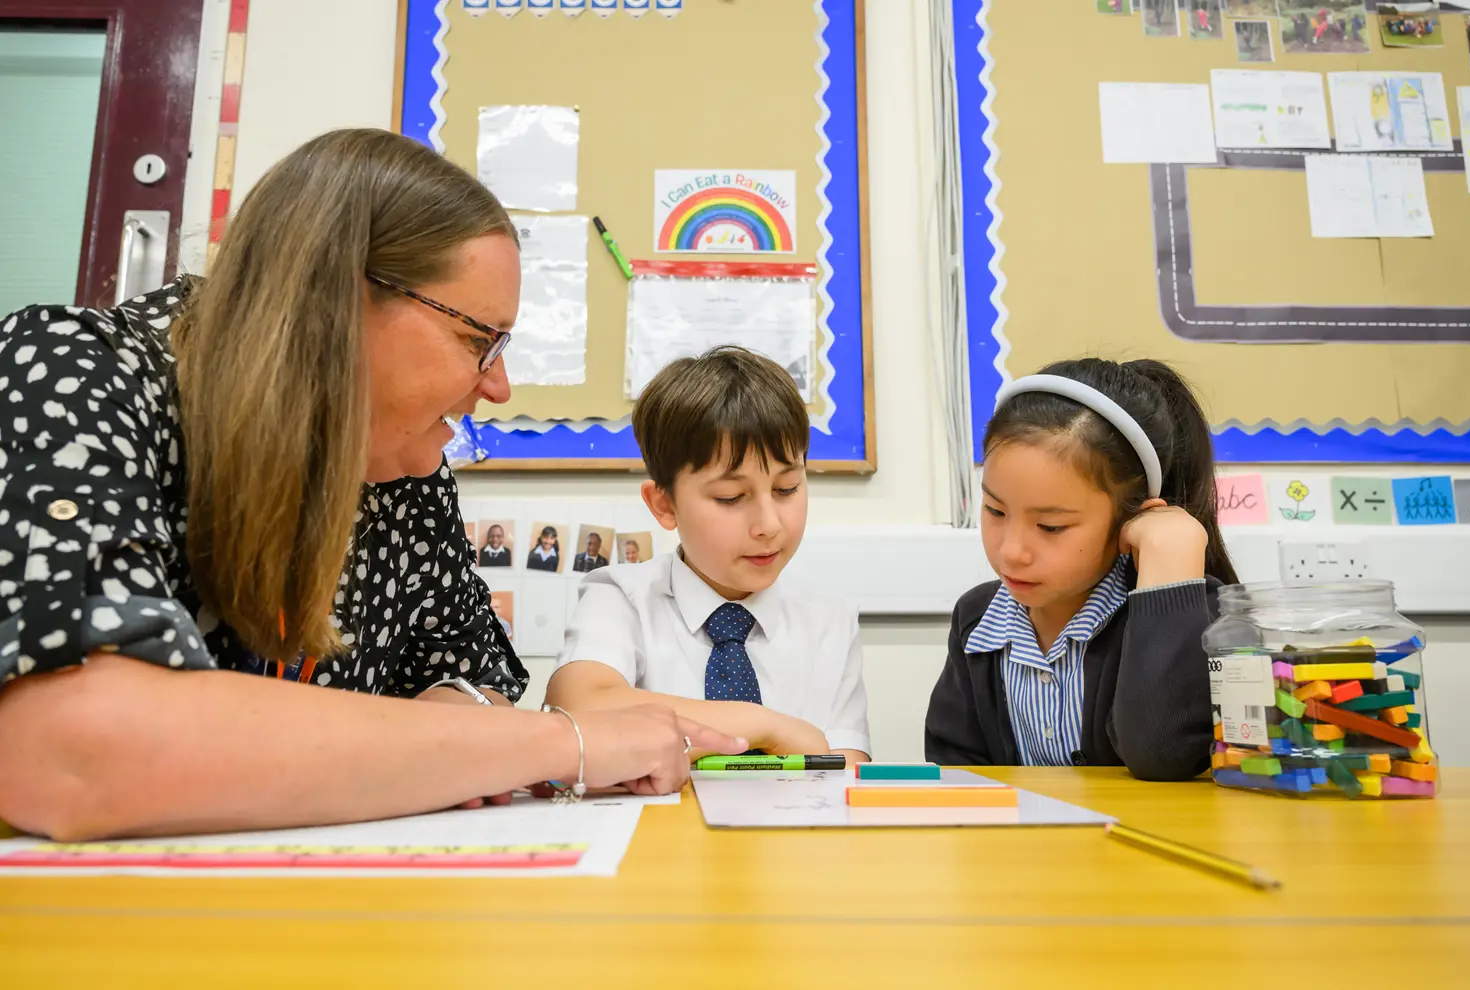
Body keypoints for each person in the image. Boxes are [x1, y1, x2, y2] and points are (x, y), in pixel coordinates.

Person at [0, 129, 743, 841]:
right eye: (479, 340)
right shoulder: (74, 372)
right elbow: (73, 745)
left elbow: (471, 670)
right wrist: (566, 746)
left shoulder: (396, 465)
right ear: (334, 301)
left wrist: (458, 717)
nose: (500, 387)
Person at [545, 347, 871, 763]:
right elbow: (577, 709)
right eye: (731, 497)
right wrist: (765, 726)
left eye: (787, 488)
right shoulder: (623, 598)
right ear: (663, 504)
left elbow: (844, 769)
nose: (768, 524)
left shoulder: (830, 621)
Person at [923, 358, 1237, 781]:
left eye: (1051, 527)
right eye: (995, 510)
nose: (1012, 552)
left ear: (1134, 520)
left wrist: (1170, 554)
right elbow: (957, 771)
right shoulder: (979, 620)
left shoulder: (1194, 613)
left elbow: (1164, 755)